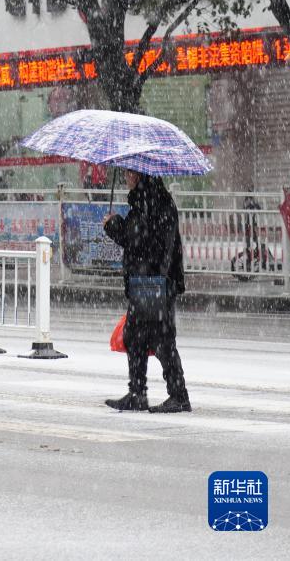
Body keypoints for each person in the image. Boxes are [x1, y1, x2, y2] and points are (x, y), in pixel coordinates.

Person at [102, 170, 191, 413]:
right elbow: (140, 239)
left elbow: (140, 241)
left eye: (128, 173)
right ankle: (137, 393)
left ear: (139, 174)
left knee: (161, 339)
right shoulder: (150, 198)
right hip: (150, 280)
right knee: (136, 336)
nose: (125, 177)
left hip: (154, 281)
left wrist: (114, 225)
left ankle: (177, 395)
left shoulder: (151, 201)